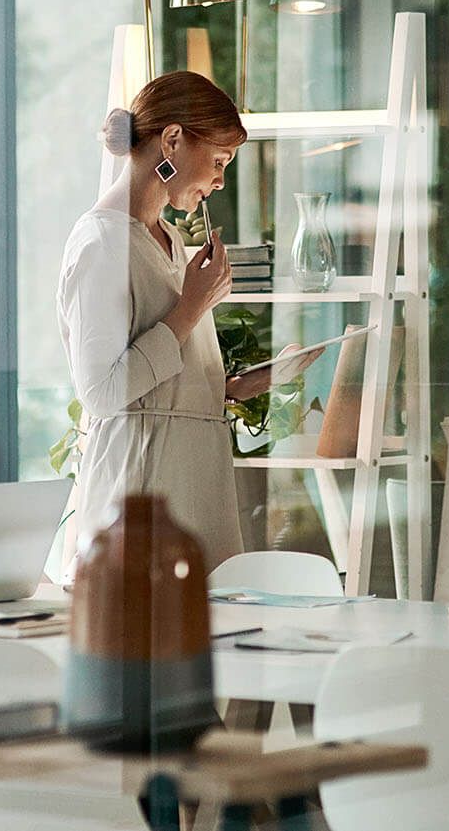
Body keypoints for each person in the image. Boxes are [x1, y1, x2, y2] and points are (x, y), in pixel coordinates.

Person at [57, 71, 321, 568]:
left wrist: (240, 386)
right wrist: (192, 308)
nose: (221, 180)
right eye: (219, 161)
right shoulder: (100, 244)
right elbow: (102, 394)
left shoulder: (171, 242)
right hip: (142, 492)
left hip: (194, 481)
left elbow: (161, 377)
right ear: (173, 140)